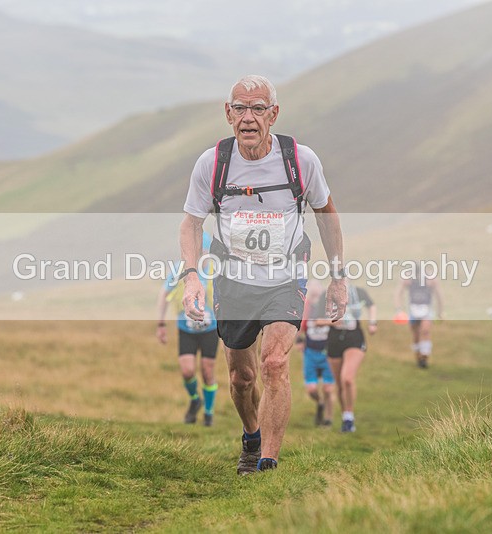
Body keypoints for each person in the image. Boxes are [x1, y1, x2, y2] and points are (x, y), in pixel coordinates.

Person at [180, 75, 347, 474]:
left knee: (274, 362)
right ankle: (251, 435)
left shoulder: (300, 160)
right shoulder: (213, 163)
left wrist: (338, 275)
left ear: (274, 114)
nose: (248, 118)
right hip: (233, 281)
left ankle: (267, 461)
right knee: (241, 378)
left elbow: (326, 215)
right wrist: (191, 276)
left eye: (258, 109)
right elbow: (191, 224)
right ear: (228, 114)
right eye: (240, 108)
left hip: (286, 277)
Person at [156, 233, 219, 426]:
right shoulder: (179, 270)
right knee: (187, 371)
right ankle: (195, 400)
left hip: (210, 329)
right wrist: (160, 324)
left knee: (207, 371)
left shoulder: (216, 271)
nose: (201, 255)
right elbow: (164, 294)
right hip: (186, 328)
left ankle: (208, 414)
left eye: (205, 251)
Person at [318, 281, 377, 432]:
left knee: (347, 379)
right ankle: (346, 417)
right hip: (334, 339)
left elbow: (371, 305)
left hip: (354, 337)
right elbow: (315, 320)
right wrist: (332, 322)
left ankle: (349, 416)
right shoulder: (326, 294)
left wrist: (372, 323)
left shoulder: (358, 292)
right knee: (339, 383)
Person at [296, 280, 334, 427]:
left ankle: (329, 419)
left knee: (328, 389)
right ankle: (320, 403)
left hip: (327, 352)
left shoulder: (329, 307)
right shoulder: (307, 309)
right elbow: (300, 326)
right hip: (310, 352)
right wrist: (299, 340)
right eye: (312, 294)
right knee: (312, 389)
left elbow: (339, 322)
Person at [394, 263, 443, 368]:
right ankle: (418, 356)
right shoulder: (409, 281)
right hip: (413, 309)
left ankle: (425, 355)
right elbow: (399, 292)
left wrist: (440, 311)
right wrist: (399, 310)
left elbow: (438, 295)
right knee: (415, 334)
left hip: (426, 309)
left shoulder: (430, 280)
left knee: (425, 331)